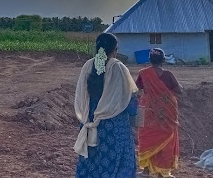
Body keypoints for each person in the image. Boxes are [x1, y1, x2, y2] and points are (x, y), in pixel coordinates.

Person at [75, 33, 139, 178]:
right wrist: (135, 116)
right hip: (114, 123)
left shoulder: (88, 65)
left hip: (91, 119)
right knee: (121, 161)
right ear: (115, 50)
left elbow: (82, 94)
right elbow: (128, 97)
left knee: (92, 159)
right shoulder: (118, 68)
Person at [136, 48, 182, 177]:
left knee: (146, 137)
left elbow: (137, 87)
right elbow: (179, 91)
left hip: (147, 111)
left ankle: (145, 171)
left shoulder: (143, 73)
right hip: (166, 113)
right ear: (163, 61)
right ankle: (163, 172)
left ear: (149, 60)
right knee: (166, 138)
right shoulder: (168, 75)